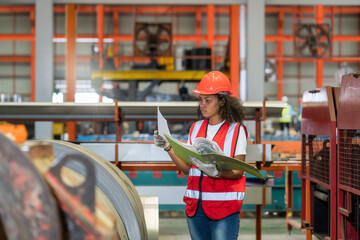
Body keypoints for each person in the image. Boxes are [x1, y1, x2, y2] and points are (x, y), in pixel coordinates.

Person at [153, 71, 247, 240]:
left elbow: (238, 171)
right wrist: (168, 147)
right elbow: (188, 169)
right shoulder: (195, 128)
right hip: (196, 209)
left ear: (222, 101)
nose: (202, 105)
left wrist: (217, 173)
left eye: (208, 100)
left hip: (224, 209)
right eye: (201, 99)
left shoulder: (236, 131)